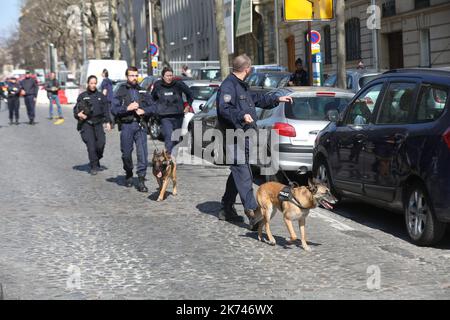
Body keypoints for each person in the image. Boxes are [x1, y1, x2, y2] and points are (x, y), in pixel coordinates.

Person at [217, 54, 293, 226]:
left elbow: (257, 99)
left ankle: (226, 207)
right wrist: (242, 116)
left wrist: (276, 99)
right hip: (234, 135)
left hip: (245, 135)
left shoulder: (241, 86)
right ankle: (254, 214)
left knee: (238, 170)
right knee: (243, 173)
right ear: (247, 69)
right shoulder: (228, 86)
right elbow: (224, 109)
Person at [111, 66, 157, 193]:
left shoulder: (142, 91)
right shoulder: (120, 90)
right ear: (127, 76)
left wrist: (145, 110)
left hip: (140, 125)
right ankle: (129, 173)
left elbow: (153, 107)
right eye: (132, 75)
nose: (134, 78)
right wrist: (127, 108)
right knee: (126, 153)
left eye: (136, 75)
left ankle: (141, 180)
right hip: (127, 125)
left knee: (142, 154)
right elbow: (113, 109)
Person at [74, 75, 113, 176]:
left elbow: (106, 110)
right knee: (91, 146)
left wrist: (108, 122)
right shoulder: (82, 96)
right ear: (88, 83)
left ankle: (96, 159)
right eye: (91, 83)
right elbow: (76, 109)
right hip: (86, 124)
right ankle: (94, 166)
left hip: (98, 123)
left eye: (95, 83)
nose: (93, 85)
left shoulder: (101, 96)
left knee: (101, 144)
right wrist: (78, 114)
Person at [151, 67, 194, 156]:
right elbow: (152, 98)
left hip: (178, 115)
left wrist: (188, 105)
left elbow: (190, 94)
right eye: (167, 76)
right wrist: (156, 108)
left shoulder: (178, 84)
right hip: (164, 116)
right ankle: (169, 157)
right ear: (163, 76)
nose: (169, 77)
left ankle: (172, 155)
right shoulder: (158, 85)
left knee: (176, 139)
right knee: (169, 136)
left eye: (171, 75)